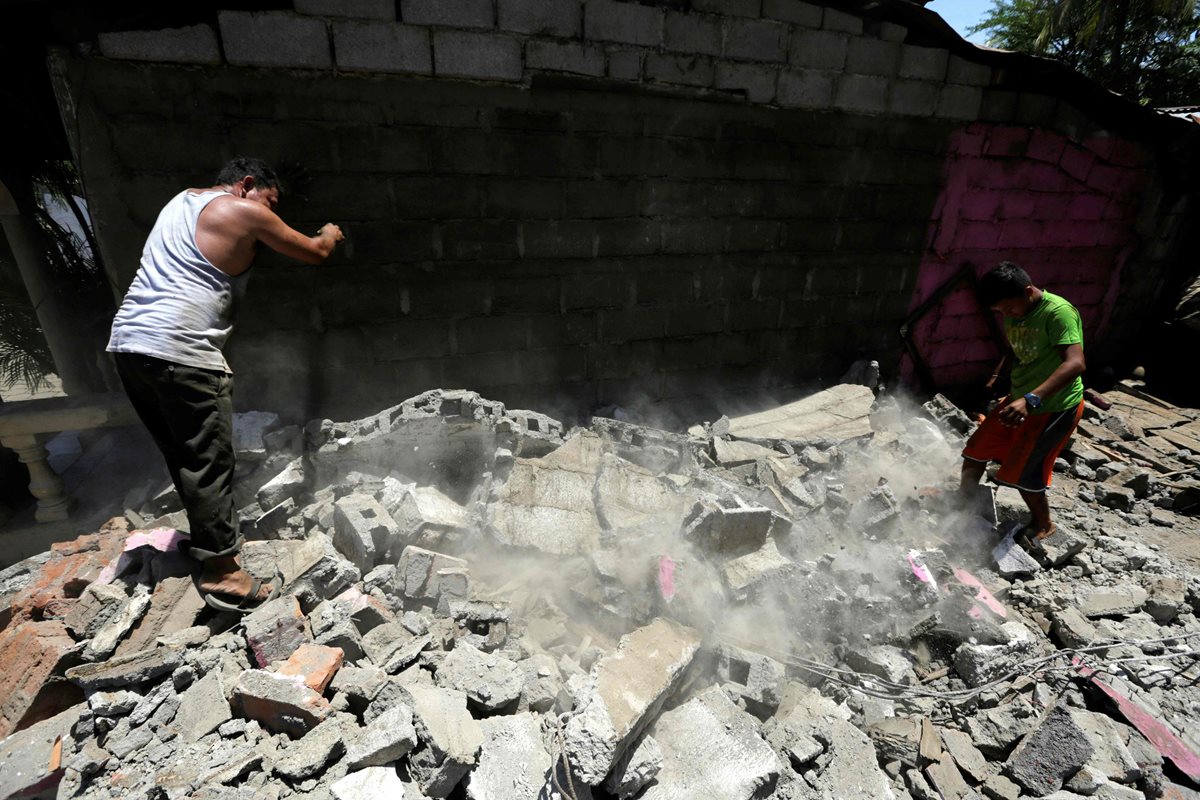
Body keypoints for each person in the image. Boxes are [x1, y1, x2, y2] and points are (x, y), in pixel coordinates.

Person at [107, 157, 344, 611]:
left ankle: (208, 543)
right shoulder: (243, 209)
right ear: (247, 185)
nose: (270, 214)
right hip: (181, 350)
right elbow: (315, 251)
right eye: (270, 202)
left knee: (183, 454)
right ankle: (222, 572)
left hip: (131, 345)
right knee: (209, 459)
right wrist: (330, 233)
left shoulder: (179, 202)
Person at [959, 262, 1086, 543]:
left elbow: (1076, 363)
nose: (1006, 315)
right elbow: (1015, 345)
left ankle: (1043, 524)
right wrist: (997, 375)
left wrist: (1032, 398)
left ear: (1028, 291)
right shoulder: (1016, 311)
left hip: (1053, 407)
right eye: (1000, 312)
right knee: (976, 450)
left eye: (1008, 309)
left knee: (1025, 472)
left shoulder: (1058, 313)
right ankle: (962, 503)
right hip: (1019, 399)